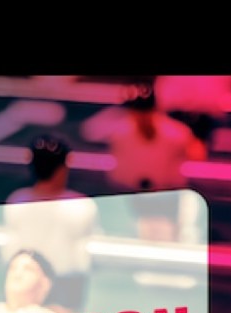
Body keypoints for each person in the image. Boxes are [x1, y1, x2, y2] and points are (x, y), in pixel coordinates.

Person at [84, 86, 205, 242]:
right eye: (137, 111)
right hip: (128, 199)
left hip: (165, 200)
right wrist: (116, 112)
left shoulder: (176, 133)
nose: (142, 116)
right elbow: (88, 130)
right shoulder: (119, 130)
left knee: (166, 242)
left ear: (154, 109)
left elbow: (197, 154)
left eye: (145, 111)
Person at [4, 136, 99, 303]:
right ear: (63, 168)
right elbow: (89, 256)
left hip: (27, 283)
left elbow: (9, 251)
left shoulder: (17, 200)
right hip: (67, 286)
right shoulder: (81, 206)